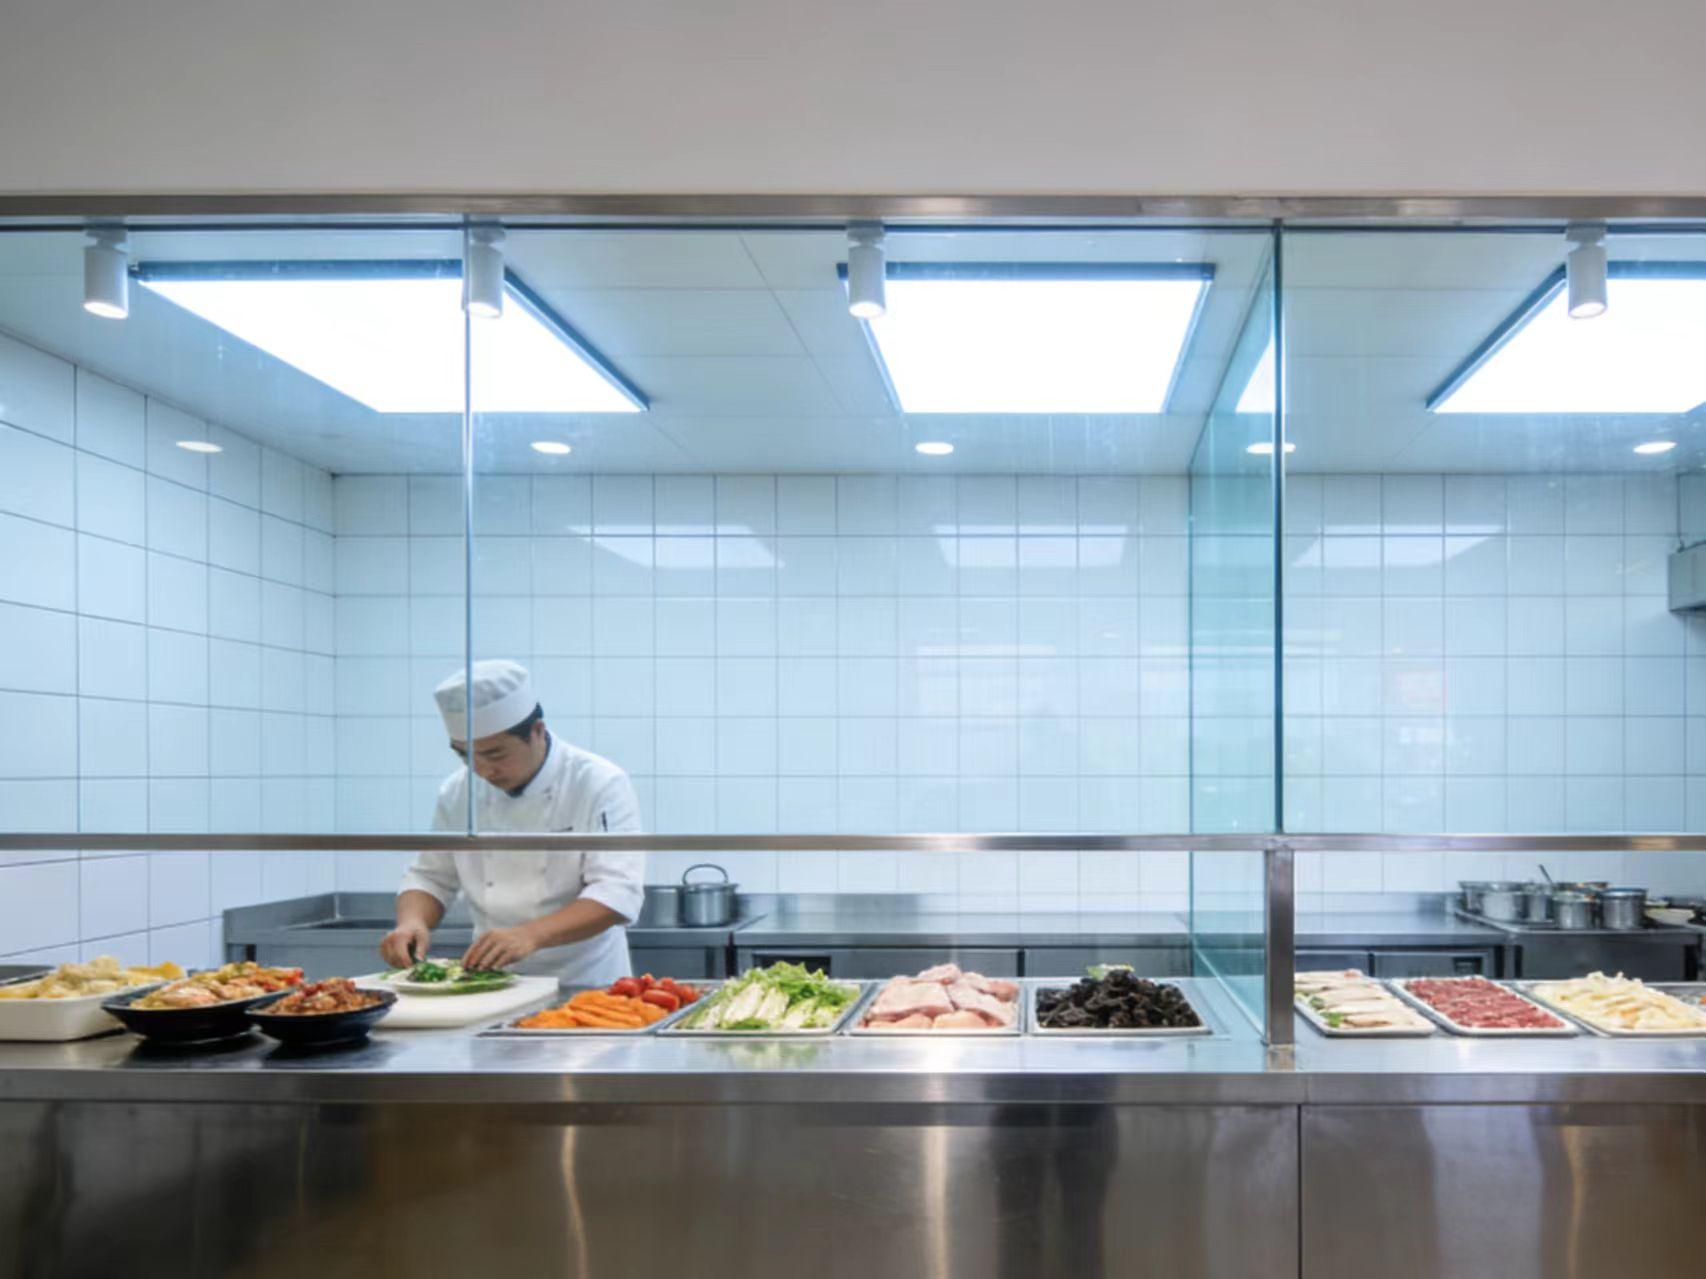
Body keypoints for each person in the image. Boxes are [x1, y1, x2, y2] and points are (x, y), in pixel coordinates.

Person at [380, 660, 645, 985]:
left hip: (585, 982)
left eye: (495, 754)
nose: (481, 771)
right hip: (493, 981)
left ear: (538, 731)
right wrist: (411, 922)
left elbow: (617, 894)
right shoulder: (458, 791)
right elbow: (431, 876)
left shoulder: (597, 783)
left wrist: (530, 935)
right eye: (465, 755)